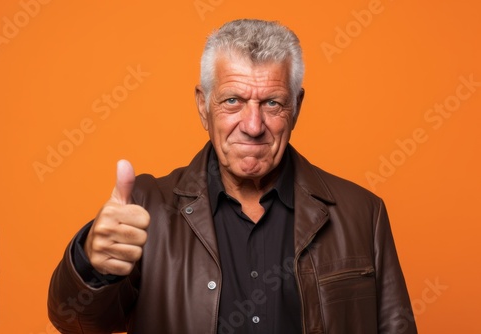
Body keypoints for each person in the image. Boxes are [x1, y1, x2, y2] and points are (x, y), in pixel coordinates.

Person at [48, 19, 417, 334]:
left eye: (272, 103)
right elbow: (75, 321)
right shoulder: (146, 208)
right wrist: (91, 264)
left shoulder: (362, 213)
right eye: (233, 101)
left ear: (297, 107)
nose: (253, 126)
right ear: (202, 106)